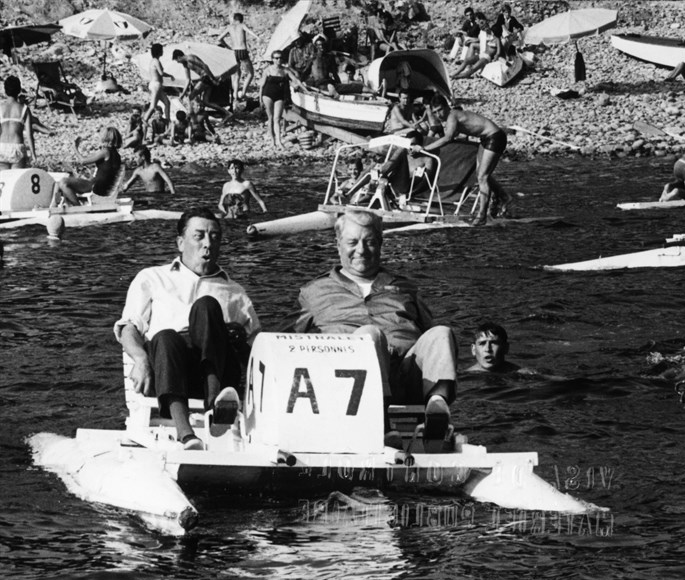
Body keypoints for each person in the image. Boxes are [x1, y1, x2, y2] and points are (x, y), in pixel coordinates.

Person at [293, 210, 458, 438]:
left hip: (404, 376)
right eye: (353, 242)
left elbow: (433, 343)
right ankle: (381, 423)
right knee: (370, 336)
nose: (361, 250)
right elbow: (287, 342)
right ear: (338, 244)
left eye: (370, 242)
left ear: (380, 244)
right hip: (348, 382)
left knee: (441, 333)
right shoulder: (313, 292)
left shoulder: (405, 287)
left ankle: (437, 408)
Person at [115, 207, 260, 450]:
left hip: (218, 374)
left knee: (206, 306)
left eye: (214, 237)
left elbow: (257, 348)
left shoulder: (235, 292)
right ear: (181, 243)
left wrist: (238, 340)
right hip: (168, 369)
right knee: (166, 337)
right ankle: (187, 434)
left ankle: (216, 403)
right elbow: (129, 328)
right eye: (199, 236)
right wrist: (140, 359)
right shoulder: (152, 277)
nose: (208, 244)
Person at [412, 95, 512, 226]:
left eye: (440, 110)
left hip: (495, 137)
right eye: (435, 112)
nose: (438, 114)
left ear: (447, 107)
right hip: (485, 139)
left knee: (482, 177)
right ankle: (504, 196)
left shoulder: (452, 115)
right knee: (480, 173)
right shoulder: (450, 117)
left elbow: (448, 138)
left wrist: (424, 148)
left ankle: (482, 216)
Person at [50, 126, 123, 206]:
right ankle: (54, 206)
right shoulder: (117, 155)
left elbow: (83, 161)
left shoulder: (105, 152)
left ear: (105, 138)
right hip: (102, 186)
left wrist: (75, 148)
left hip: (95, 186)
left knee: (64, 182)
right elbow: (106, 172)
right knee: (57, 184)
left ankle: (77, 206)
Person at [259, 50, 299, 148]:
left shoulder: (285, 70)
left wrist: (301, 87)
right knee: (271, 118)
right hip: (267, 94)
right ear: (272, 59)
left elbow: (296, 79)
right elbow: (262, 86)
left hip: (279, 95)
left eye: (280, 58)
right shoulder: (268, 70)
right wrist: (260, 99)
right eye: (276, 58)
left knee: (277, 118)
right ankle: (272, 141)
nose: (278, 60)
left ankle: (279, 141)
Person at [216, 12, 260, 99]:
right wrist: (257, 37)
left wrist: (228, 47)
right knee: (250, 73)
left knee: (236, 75)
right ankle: (243, 93)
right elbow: (250, 32)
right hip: (242, 51)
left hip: (234, 51)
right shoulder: (242, 25)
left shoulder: (229, 27)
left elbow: (219, 39)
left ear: (234, 19)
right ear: (241, 19)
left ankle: (235, 95)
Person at [0, 75, 34, 170]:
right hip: (17, 148)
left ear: (5, 91)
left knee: (3, 182)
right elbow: (29, 134)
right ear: (19, 91)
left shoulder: (1, 108)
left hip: (2, 147)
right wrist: (33, 154)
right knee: (16, 181)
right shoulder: (24, 109)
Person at [451, 12, 496, 79]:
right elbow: (481, 40)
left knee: (473, 68)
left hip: (486, 56)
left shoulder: (489, 31)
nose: (475, 21)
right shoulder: (482, 31)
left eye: (476, 20)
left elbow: (489, 36)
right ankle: (455, 73)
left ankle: (459, 76)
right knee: (466, 60)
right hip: (482, 53)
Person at [143, 44, 172, 124]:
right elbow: (161, 73)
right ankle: (144, 121)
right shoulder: (156, 61)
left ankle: (168, 121)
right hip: (156, 85)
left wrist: (169, 75)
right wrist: (170, 76)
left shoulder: (153, 61)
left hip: (155, 85)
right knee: (153, 106)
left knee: (167, 103)